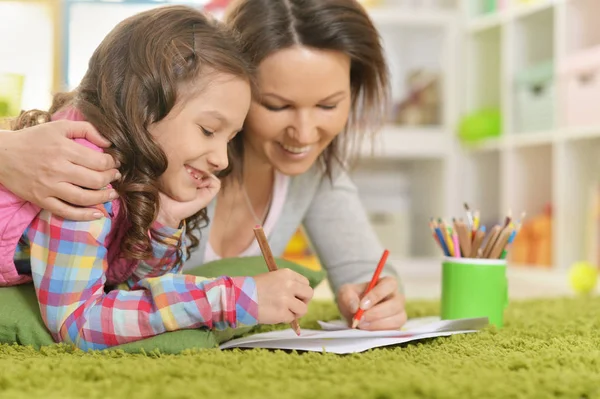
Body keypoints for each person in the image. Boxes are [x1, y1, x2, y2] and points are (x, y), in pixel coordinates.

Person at [0, 0, 406, 331]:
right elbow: (79, 320)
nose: (302, 133)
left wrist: (164, 224)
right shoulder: (96, 167)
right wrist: (232, 299)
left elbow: (126, 281)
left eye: (328, 105)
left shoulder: (170, 158)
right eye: (277, 106)